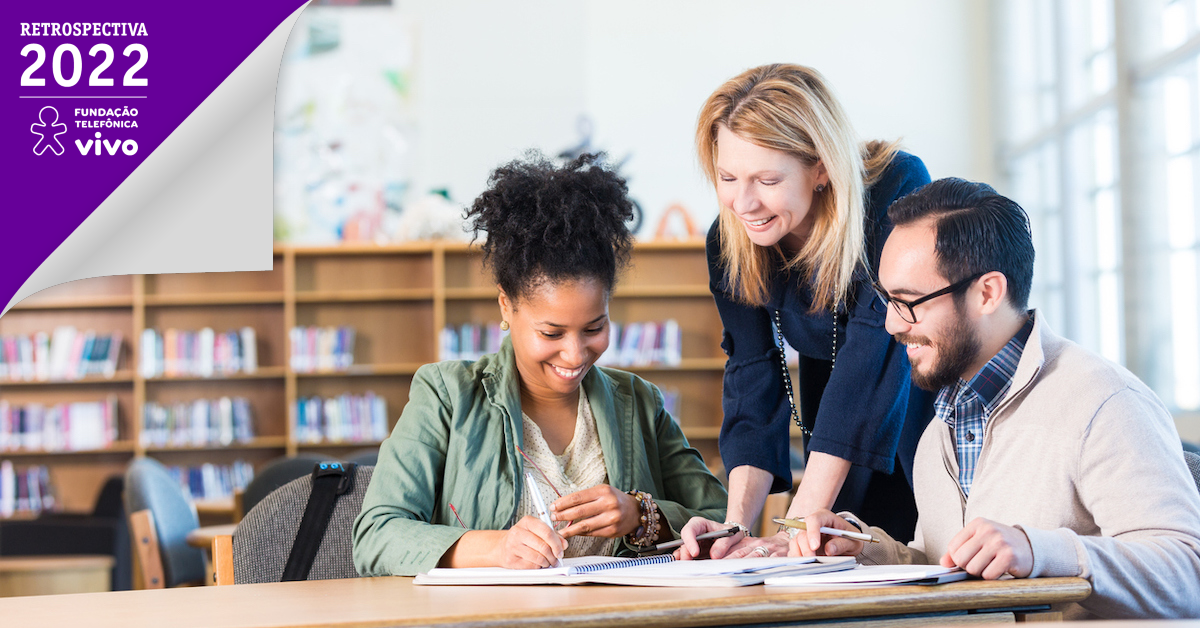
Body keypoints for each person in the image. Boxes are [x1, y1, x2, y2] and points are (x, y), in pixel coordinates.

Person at [794, 178, 1200, 619]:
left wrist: (1037, 549)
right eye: (886, 300)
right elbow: (948, 570)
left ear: (987, 293)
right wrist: (869, 551)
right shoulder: (938, 428)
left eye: (909, 302)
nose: (891, 324)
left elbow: (1186, 572)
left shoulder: (1106, 403)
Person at [352, 153, 728, 576]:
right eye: (551, 333)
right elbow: (377, 535)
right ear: (506, 306)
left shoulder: (639, 402)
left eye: (594, 328)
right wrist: (496, 549)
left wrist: (641, 517)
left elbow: (723, 521)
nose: (575, 354)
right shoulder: (447, 395)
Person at [678, 64, 933, 560]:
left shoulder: (895, 188)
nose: (742, 202)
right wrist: (735, 528)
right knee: (826, 559)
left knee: (916, 561)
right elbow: (752, 378)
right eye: (727, 177)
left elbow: (872, 355)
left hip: (920, 405)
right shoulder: (729, 240)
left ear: (821, 168)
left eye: (767, 179)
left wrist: (796, 525)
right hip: (833, 419)